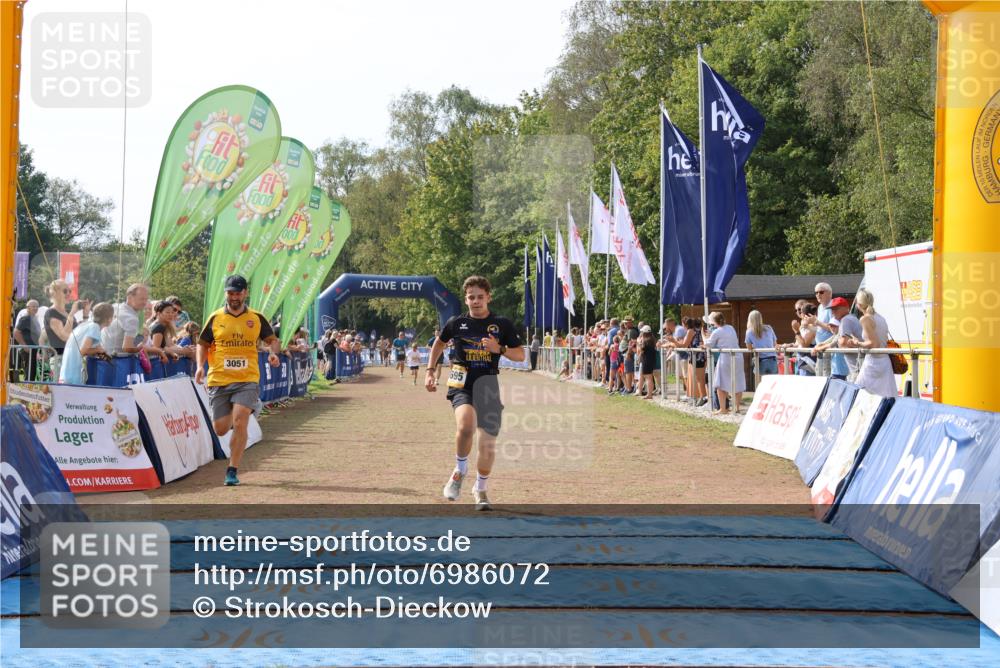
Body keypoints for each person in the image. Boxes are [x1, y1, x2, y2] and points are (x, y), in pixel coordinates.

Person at [425, 275, 524, 511]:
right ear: (466, 299)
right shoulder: (455, 323)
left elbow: (520, 355)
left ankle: (480, 489)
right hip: (462, 384)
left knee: (487, 445)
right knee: (466, 425)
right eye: (471, 297)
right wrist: (430, 370)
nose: (476, 301)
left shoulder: (502, 324)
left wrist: (498, 349)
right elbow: (439, 344)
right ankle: (459, 471)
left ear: (489, 297)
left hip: (488, 386)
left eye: (480, 297)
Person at [195, 275, 281, 486]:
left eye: (238, 292)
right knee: (221, 429)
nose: (234, 297)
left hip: (247, 379)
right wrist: (199, 366)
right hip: (219, 379)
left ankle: (232, 470)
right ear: (226, 293)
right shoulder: (215, 318)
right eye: (230, 293)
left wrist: (273, 353)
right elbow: (202, 344)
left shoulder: (257, 318)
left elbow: (273, 340)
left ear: (245, 293)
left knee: (240, 421)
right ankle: (243, 413)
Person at [848, 288, 897, 398]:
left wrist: (857, 343)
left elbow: (873, 344)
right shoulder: (880, 318)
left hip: (873, 362)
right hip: (884, 361)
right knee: (887, 397)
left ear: (859, 304)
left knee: (860, 394)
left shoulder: (865, 319)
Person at [60, 303, 113, 385]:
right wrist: (99, 350)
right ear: (109, 319)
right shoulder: (94, 328)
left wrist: (110, 360)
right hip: (74, 374)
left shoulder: (87, 325)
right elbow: (83, 351)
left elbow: (100, 352)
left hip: (67, 372)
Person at [705, 312, 745, 414]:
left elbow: (708, 344)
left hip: (726, 357)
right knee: (738, 381)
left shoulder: (717, 331)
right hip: (738, 355)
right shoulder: (730, 328)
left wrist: (704, 335)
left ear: (714, 322)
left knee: (720, 382)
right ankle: (737, 407)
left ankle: (723, 408)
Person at [43, 279, 82, 381]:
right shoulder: (51, 313)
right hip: (60, 358)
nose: (69, 293)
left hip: (73, 358)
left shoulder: (67, 313)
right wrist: (72, 314)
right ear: (54, 293)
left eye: (70, 291)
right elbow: (64, 336)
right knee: (61, 393)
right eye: (65, 291)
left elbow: (79, 334)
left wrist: (86, 314)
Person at [103, 283, 149, 358]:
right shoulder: (131, 319)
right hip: (119, 362)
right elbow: (127, 348)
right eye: (141, 299)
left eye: (146, 299)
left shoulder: (114, 306)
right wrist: (140, 348)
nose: (144, 302)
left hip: (103, 359)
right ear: (130, 297)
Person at [836, 299, 864, 383]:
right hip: (857, 365)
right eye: (832, 309)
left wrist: (840, 342)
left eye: (836, 308)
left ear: (845, 308)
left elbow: (843, 343)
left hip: (857, 366)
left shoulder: (846, 320)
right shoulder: (851, 318)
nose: (833, 311)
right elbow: (837, 340)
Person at [13, 299, 41, 380]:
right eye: (33, 306)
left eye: (37, 306)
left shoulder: (34, 318)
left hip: (33, 349)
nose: (35, 308)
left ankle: (27, 388)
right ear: (28, 308)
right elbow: (16, 332)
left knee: (32, 372)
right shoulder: (25, 318)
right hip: (28, 349)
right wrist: (24, 346)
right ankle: (24, 390)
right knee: (29, 372)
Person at [744, 310, 778, 377]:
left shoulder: (749, 331)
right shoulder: (769, 328)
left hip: (760, 360)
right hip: (772, 359)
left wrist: (755, 346)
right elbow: (775, 344)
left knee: (760, 384)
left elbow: (749, 348)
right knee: (772, 384)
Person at [638, 325, 658, 399]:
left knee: (648, 377)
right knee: (649, 377)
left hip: (647, 360)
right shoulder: (651, 339)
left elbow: (642, 350)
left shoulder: (646, 340)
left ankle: (649, 394)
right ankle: (649, 394)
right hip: (650, 360)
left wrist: (639, 343)